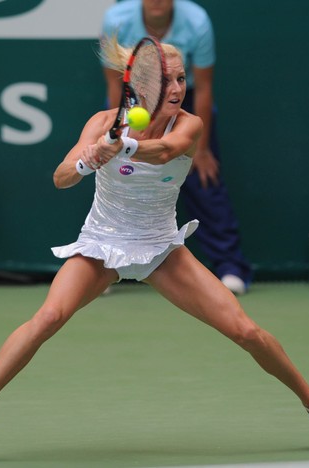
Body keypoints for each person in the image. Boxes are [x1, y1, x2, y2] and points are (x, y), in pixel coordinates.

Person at [0, 39, 309, 463]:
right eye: (167, 79)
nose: (177, 88)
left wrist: (123, 147)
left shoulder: (190, 126)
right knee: (48, 318)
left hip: (160, 249)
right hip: (102, 244)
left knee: (246, 330)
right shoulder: (102, 123)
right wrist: (87, 159)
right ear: (142, 84)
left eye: (182, 78)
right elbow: (60, 178)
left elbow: (165, 151)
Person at [101, 0, 251, 295]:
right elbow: (115, 86)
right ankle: (102, 263)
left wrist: (203, 149)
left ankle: (229, 265)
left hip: (182, 97)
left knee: (203, 175)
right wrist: (117, 128)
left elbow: (204, 86)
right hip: (135, 101)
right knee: (114, 177)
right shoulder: (116, 19)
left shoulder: (197, 21)